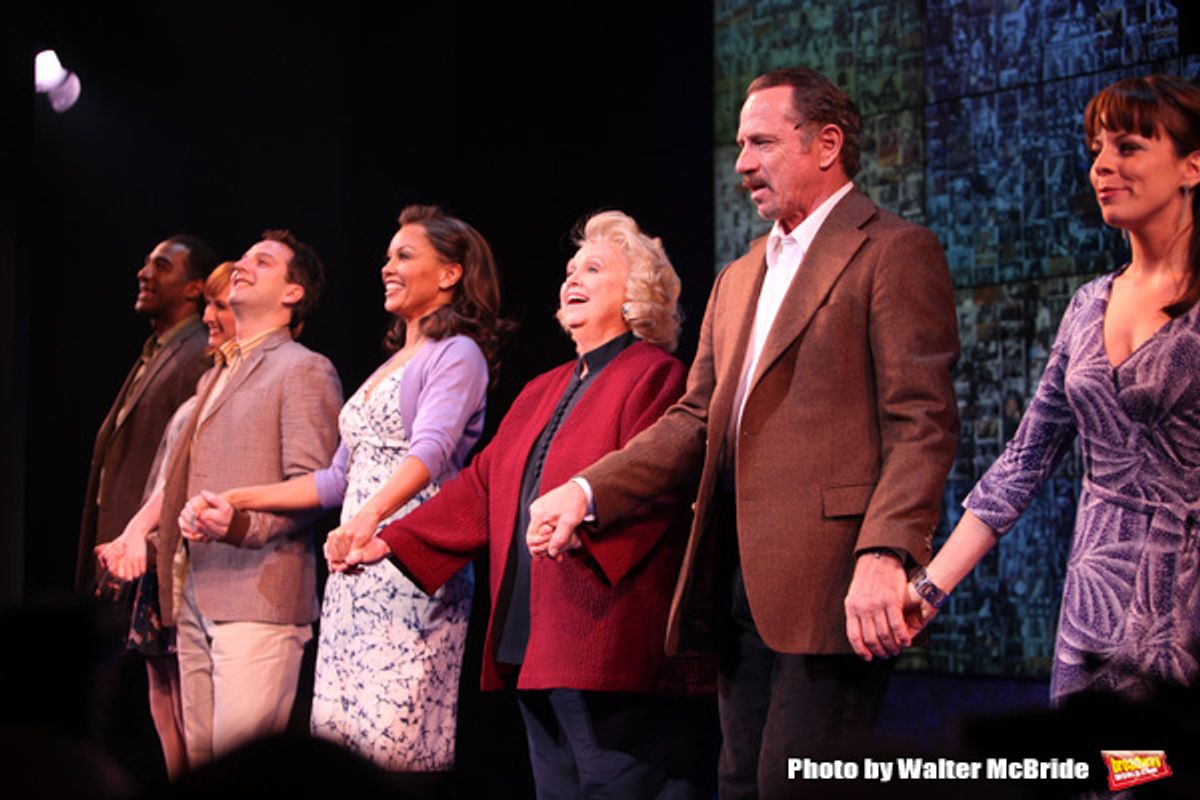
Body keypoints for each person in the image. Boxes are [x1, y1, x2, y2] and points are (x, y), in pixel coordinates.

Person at [527, 68, 960, 799]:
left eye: (761, 142)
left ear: (827, 145)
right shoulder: (739, 277)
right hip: (735, 590)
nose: (741, 164)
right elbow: (698, 420)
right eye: (738, 145)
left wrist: (887, 551)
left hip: (834, 587)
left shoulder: (892, 250)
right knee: (738, 785)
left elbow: (922, 422)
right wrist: (588, 489)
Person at [331, 211, 712, 798]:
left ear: (637, 294)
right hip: (533, 639)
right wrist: (391, 537)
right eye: (568, 270)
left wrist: (581, 522)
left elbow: (658, 485)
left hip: (604, 636)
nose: (572, 280)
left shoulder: (656, 375)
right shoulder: (543, 388)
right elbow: (481, 485)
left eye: (593, 268)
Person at [902, 75, 1200, 704]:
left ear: (1191, 166)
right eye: (1096, 150)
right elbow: (1024, 461)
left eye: (1127, 147)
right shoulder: (1088, 304)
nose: (1102, 167)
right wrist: (930, 589)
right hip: (1097, 601)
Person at [219, 205, 507, 775]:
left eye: (404, 255)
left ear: (450, 274)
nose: (387, 267)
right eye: (386, 257)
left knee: (394, 746)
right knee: (345, 744)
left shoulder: (458, 355)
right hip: (354, 570)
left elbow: (431, 451)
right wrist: (237, 500)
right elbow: (334, 480)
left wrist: (370, 519)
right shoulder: (392, 365)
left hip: (409, 564)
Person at [159, 230, 343, 766]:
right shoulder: (217, 372)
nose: (242, 265)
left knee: (241, 773)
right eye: (242, 258)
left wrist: (238, 525)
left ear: (292, 294)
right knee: (200, 767)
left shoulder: (304, 368)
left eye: (261, 262)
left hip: (259, 595)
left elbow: (315, 487)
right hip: (196, 585)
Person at [95, 261, 237, 778]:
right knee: (161, 682)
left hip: (186, 549)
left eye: (222, 305)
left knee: (184, 685)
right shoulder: (204, 381)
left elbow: (189, 479)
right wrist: (132, 532)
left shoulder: (211, 380)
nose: (212, 317)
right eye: (212, 306)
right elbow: (164, 475)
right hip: (159, 547)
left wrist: (142, 533)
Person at [78, 235, 218, 593]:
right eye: (147, 264)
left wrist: (148, 539)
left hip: (145, 552)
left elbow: (183, 461)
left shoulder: (198, 354)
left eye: (162, 266)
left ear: (194, 288)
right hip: (121, 542)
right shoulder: (158, 350)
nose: (145, 274)